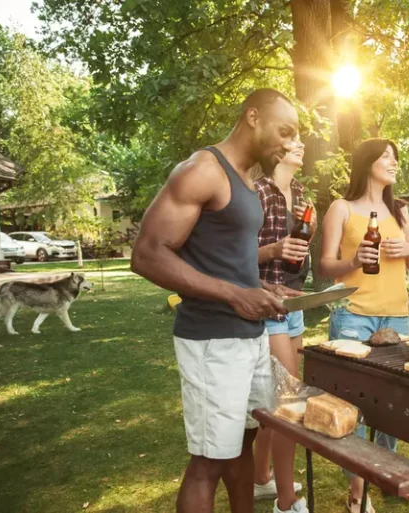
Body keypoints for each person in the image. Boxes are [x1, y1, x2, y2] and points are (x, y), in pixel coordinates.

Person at [131, 88, 306, 513]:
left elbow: (228, 259)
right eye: (284, 131)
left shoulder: (248, 181)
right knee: (208, 461)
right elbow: (147, 254)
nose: (288, 144)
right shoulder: (204, 170)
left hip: (248, 338)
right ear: (253, 117)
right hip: (212, 341)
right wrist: (233, 294)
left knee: (242, 445)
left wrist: (262, 289)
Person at [319, 138, 409, 513]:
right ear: (366, 163)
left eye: (395, 157)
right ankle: (358, 488)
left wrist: (408, 248)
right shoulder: (342, 208)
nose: (393, 162)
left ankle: (387, 473)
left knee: (394, 401)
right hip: (353, 314)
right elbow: (325, 265)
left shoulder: (398, 211)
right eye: (385, 157)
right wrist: (353, 262)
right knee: (355, 401)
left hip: (395, 314)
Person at [253, 140, 316, 512]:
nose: (302, 144)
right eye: (292, 140)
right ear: (274, 149)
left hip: (294, 303)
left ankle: (262, 477)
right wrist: (275, 250)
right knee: (290, 402)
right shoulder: (256, 192)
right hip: (265, 303)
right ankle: (286, 502)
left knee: (276, 399)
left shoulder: (302, 194)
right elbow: (235, 254)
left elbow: (300, 248)